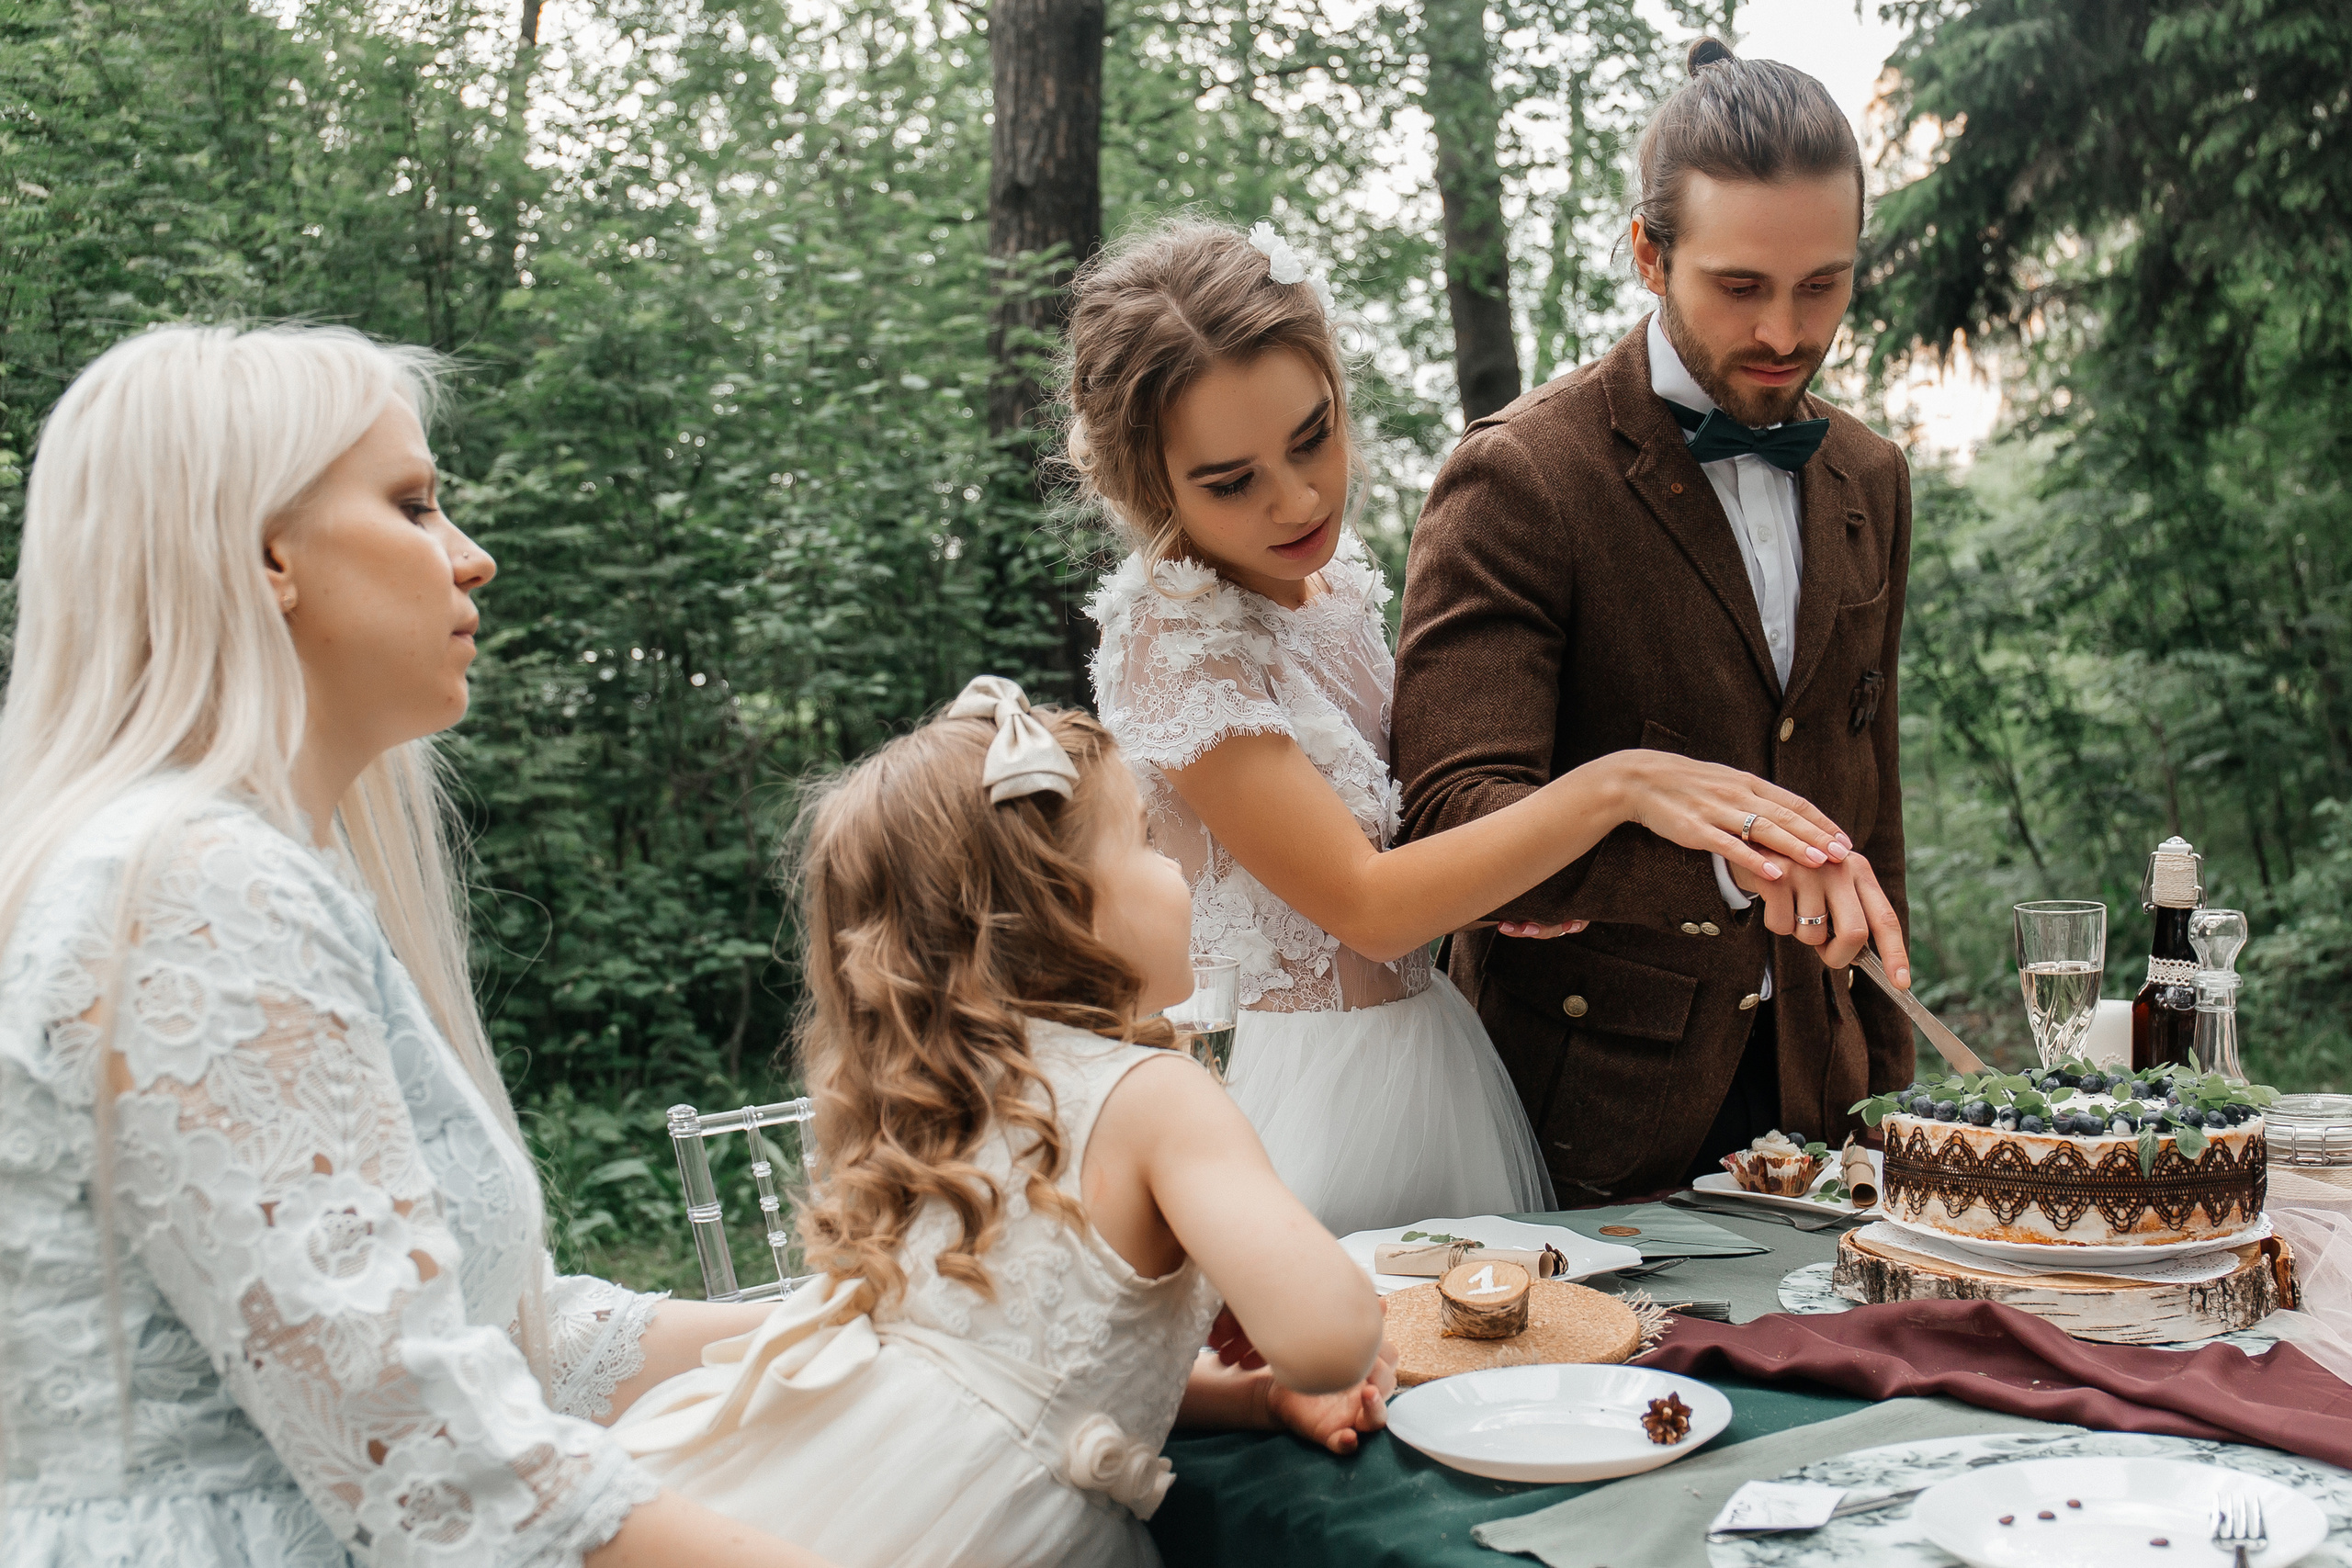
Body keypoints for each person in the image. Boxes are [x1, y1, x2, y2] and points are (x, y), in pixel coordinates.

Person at [0, 323, 828, 1567]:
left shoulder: (231, 866)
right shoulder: (197, 887)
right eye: (414, 503)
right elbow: (434, 1452)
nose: (473, 558)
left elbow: (486, 1330)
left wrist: (860, 1321)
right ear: (268, 553)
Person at [1070, 217, 1850, 1235]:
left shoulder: (1330, 592)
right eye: (1231, 482)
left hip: (1431, 1064)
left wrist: (1504, 885)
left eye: (1315, 435)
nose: (1298, 497)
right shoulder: (1172, 640)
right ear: (1148, 483)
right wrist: (1614, 786)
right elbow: (1368, 906)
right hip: (1287, 1097)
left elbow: (1414, 838)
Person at [613, 677, 1394, 1567]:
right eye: (1143, 840)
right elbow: (1328, 1340)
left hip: (834, 1487)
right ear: (1060, 907)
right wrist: (1322, 1310)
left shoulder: (934, 1106)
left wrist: (1252, 1400)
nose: (1176, 866)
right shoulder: (1159, 1093)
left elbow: (1033, 1377)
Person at [1391, 39, 1918, 1204]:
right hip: (1581, 1131)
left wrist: (1891, 1100)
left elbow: (1864, 791)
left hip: (1825, 1117)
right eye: (1741, 287)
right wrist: (1730, 872)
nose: (1786, 331)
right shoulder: (1520, 476)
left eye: (1821, 284)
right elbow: (1447, 826)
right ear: (1648, 254)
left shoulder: (1871, 475)